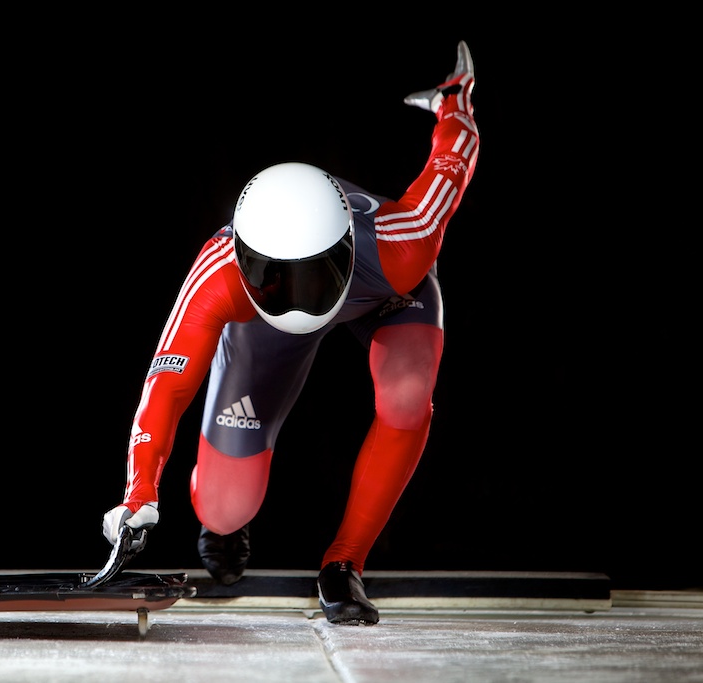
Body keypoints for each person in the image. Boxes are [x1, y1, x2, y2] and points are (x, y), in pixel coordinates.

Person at [97, 40, 479, 625]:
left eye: (313, 277)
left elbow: (455, 151)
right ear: (245, 258)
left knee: (407, 396)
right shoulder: (217, 275)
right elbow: (165, 388)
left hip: (383, 294)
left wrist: (454, 100)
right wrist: (139, 494)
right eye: (278, 280)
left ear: (349, 243)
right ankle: (222, 526)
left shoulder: (405, 243)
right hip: (295, 314)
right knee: (224, 509)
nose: (300, 299)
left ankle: (344, 561)